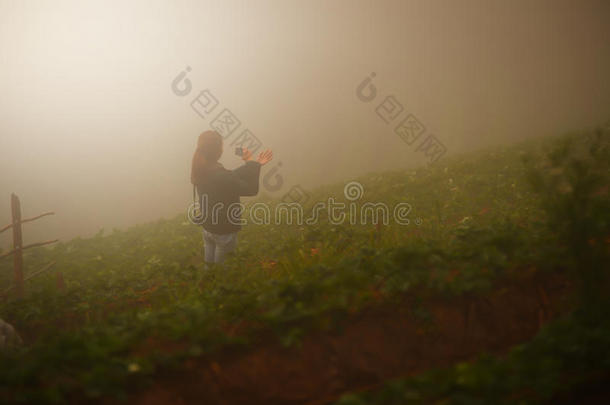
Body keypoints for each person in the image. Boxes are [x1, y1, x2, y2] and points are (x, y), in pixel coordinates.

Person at [190, 130, 273, 265]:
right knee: (222, 275)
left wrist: (254, 165)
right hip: (223, 233)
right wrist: (251, 162)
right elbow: (251, 190)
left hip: (208, 229)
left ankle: (207, 284)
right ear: (218, 151)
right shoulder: (220, 174)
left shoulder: (201, 169)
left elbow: (230, 176)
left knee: (209, 269)